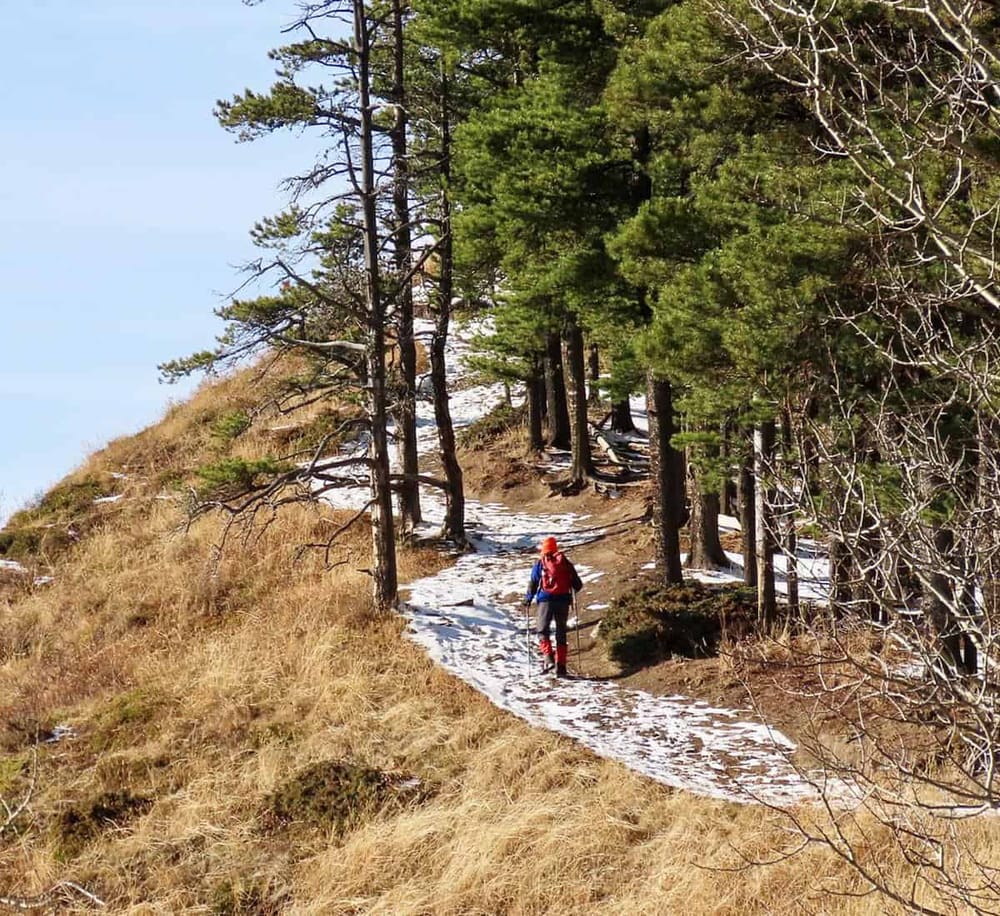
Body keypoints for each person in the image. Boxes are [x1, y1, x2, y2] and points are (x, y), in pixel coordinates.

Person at [522, 536, 583, 677]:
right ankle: (561, 666)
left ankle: (548, 659)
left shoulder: (540, 563)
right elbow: (578, 585)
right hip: (563, 601)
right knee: (561, 633)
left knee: (542, 630)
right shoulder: (565, 563)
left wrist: (528, 599)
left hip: (545, 601)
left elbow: (533, 583)